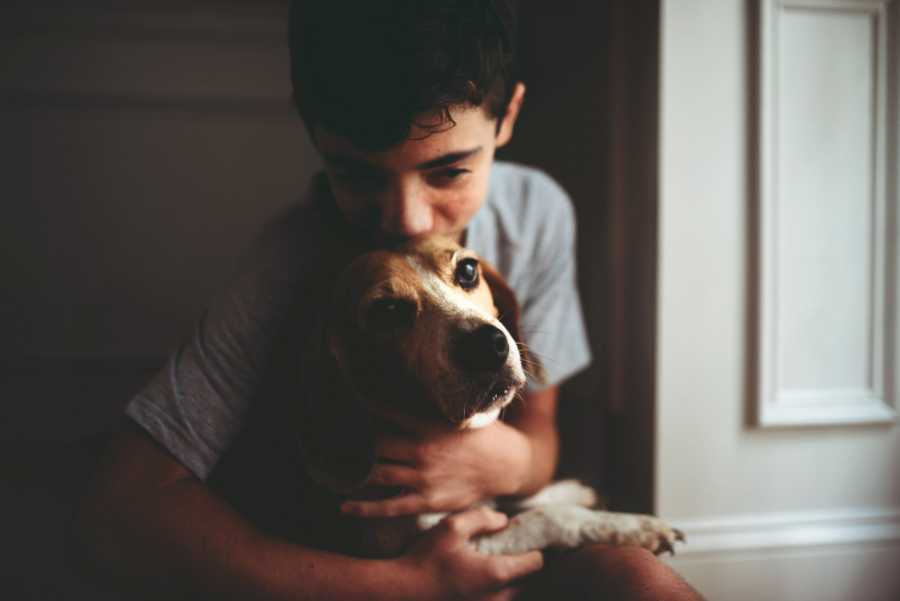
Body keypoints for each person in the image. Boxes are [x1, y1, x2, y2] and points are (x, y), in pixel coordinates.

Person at [74, 2, 703, 600]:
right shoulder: (289, 262)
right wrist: (404, 589)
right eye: (358, 174)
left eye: (448, 171)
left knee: (644, 585)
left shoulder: (535, 215)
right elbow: (120, 511)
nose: (407, 222)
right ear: (314, 133)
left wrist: (501, 463)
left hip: (490, 515)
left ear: (507, 117)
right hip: (352, 567)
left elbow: (539, 438)